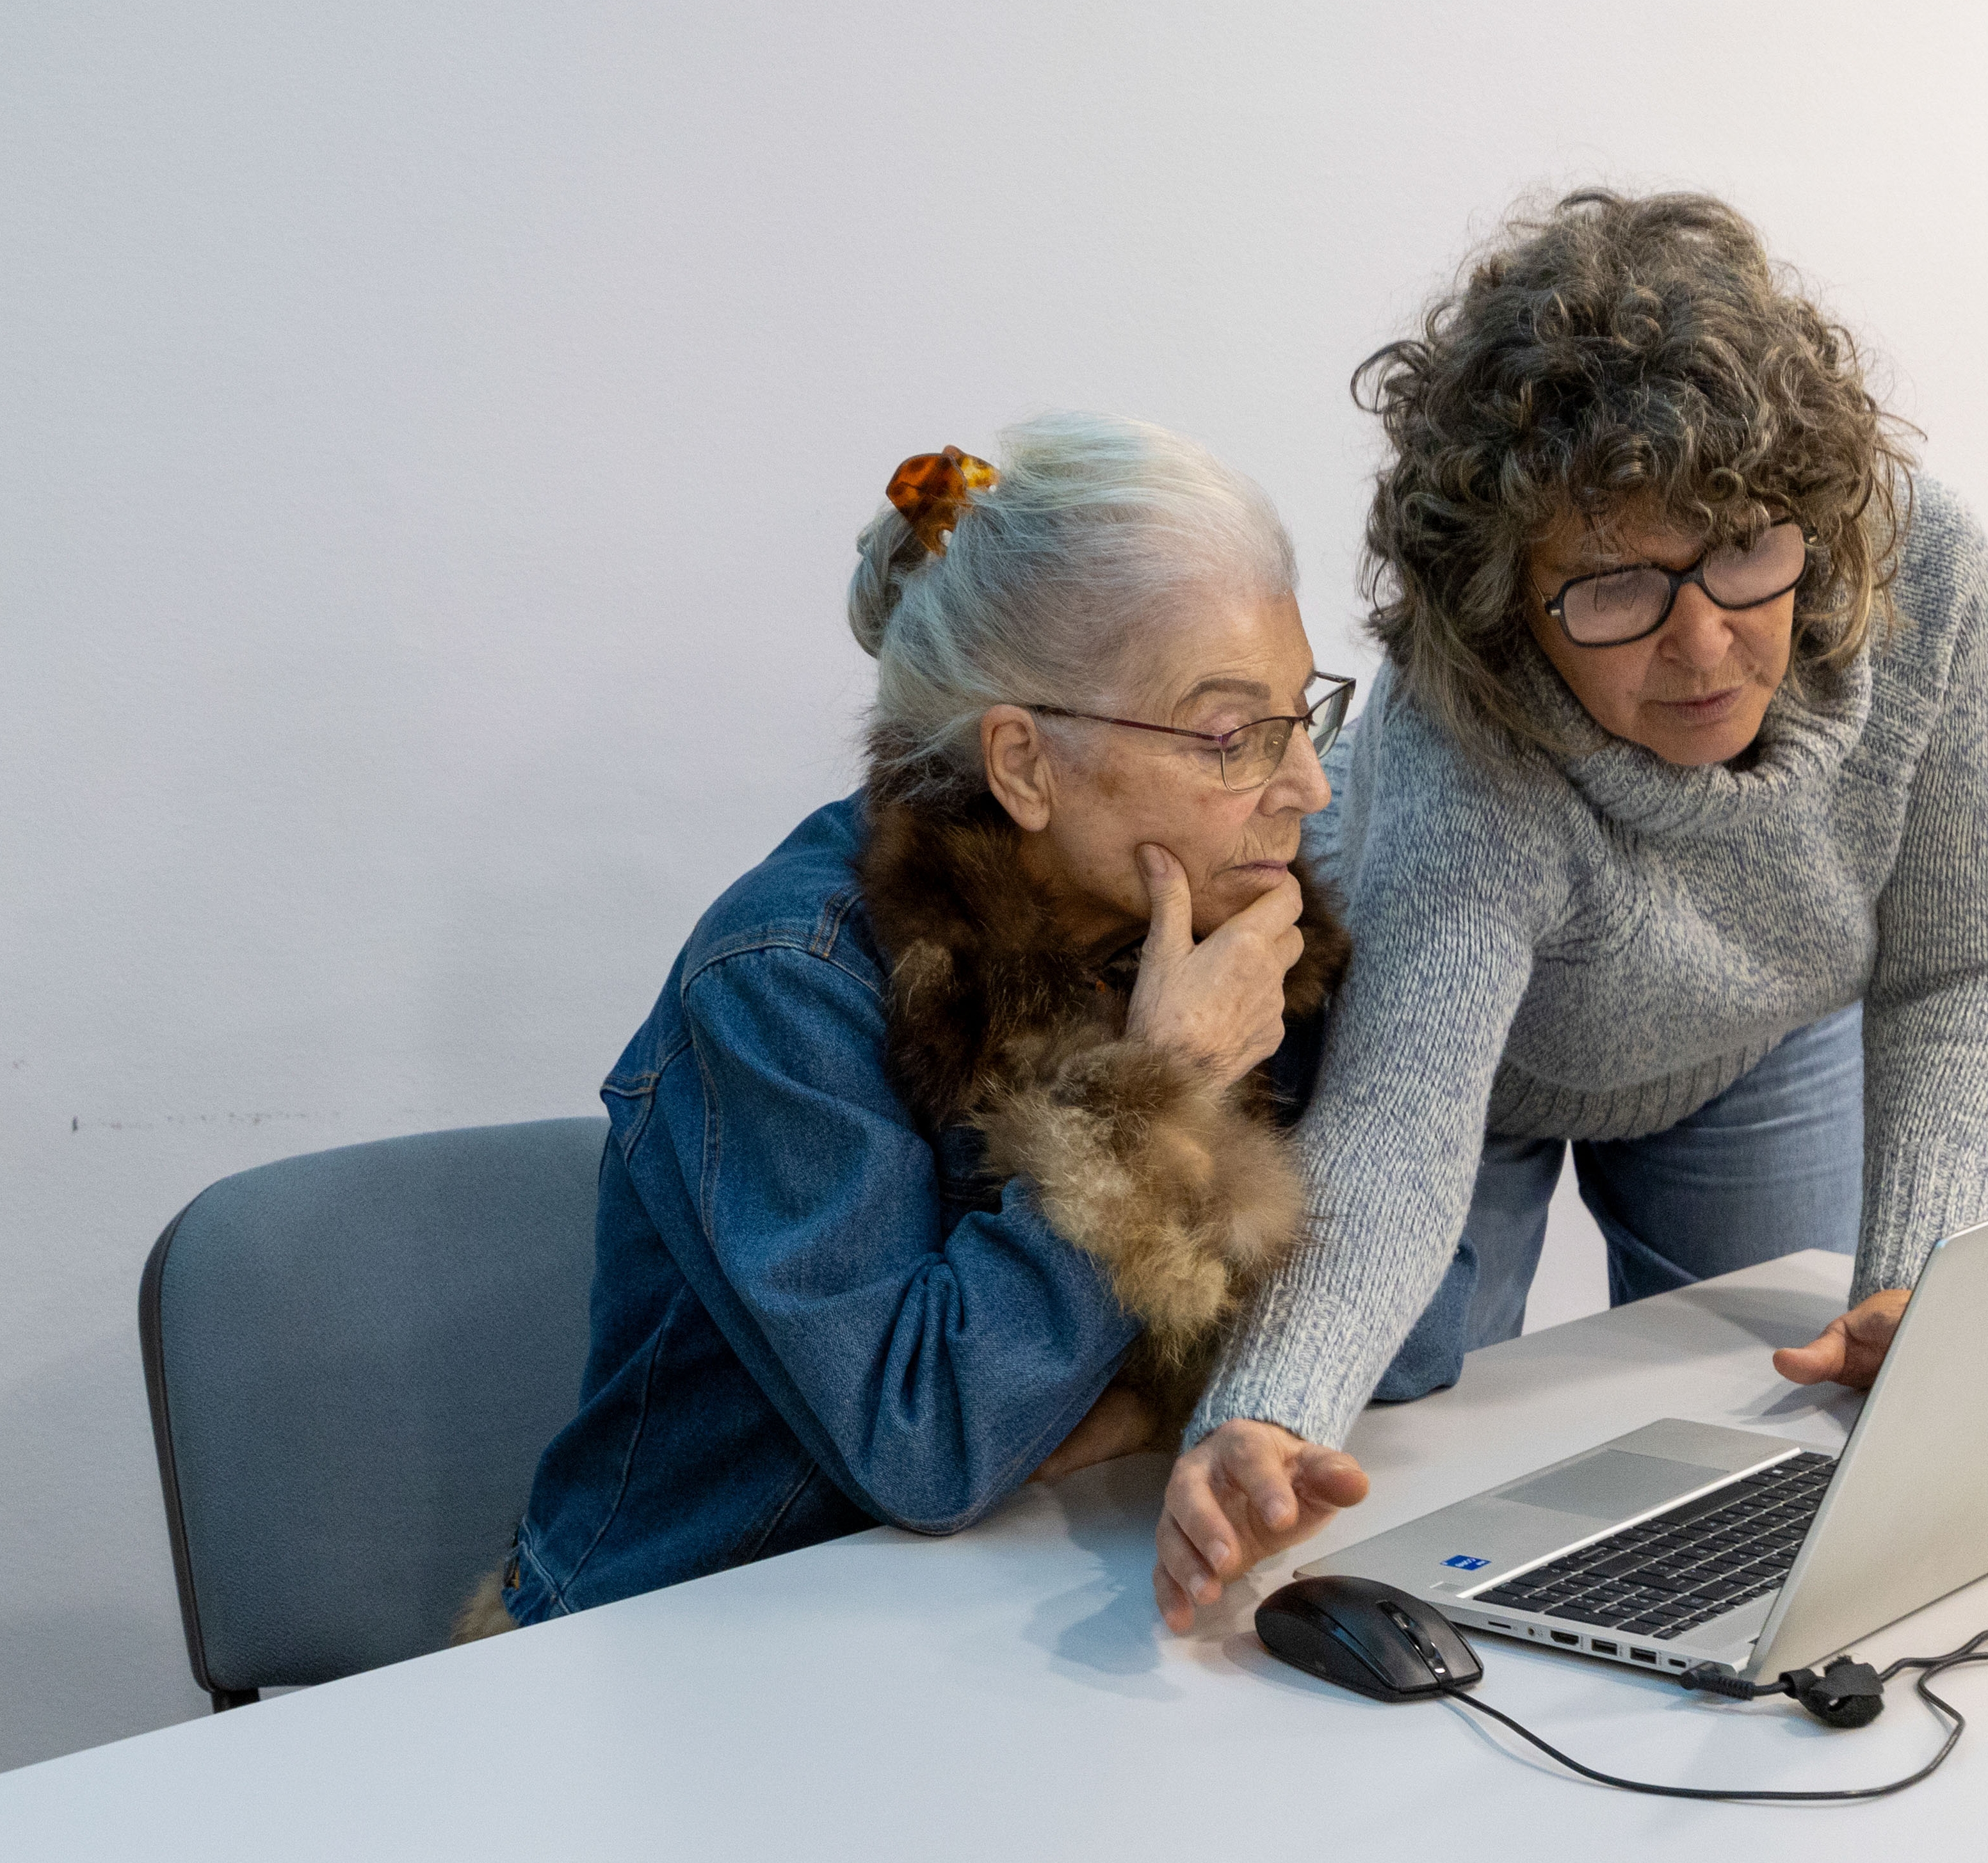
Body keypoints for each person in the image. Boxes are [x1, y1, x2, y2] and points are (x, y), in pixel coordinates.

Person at [1150, 190, 1988, 1631]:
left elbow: (1962, 968)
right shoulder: (1464, 720)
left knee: (1785, 1429)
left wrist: (1924, 1296)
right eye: (1616, 588)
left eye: (1746, 552)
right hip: (1471, 1063)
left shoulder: (1923, 572)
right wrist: (1262, 1414)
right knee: (1397, 1411)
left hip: (1756, 1029)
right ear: (1509, 597)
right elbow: (1396, 1125)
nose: (1700, 644)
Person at [464, 413, 1401, 1634]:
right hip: (681, 1642)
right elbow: (928, 1441)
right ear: (1022, 762)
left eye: (1302, 714)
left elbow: (1406, 1310)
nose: (1309, 787)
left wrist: (1126, 1415)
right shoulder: (783, 981)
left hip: (996, 1609)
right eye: (1233, 736)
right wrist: (1158, 1085)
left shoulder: (1241, 933)